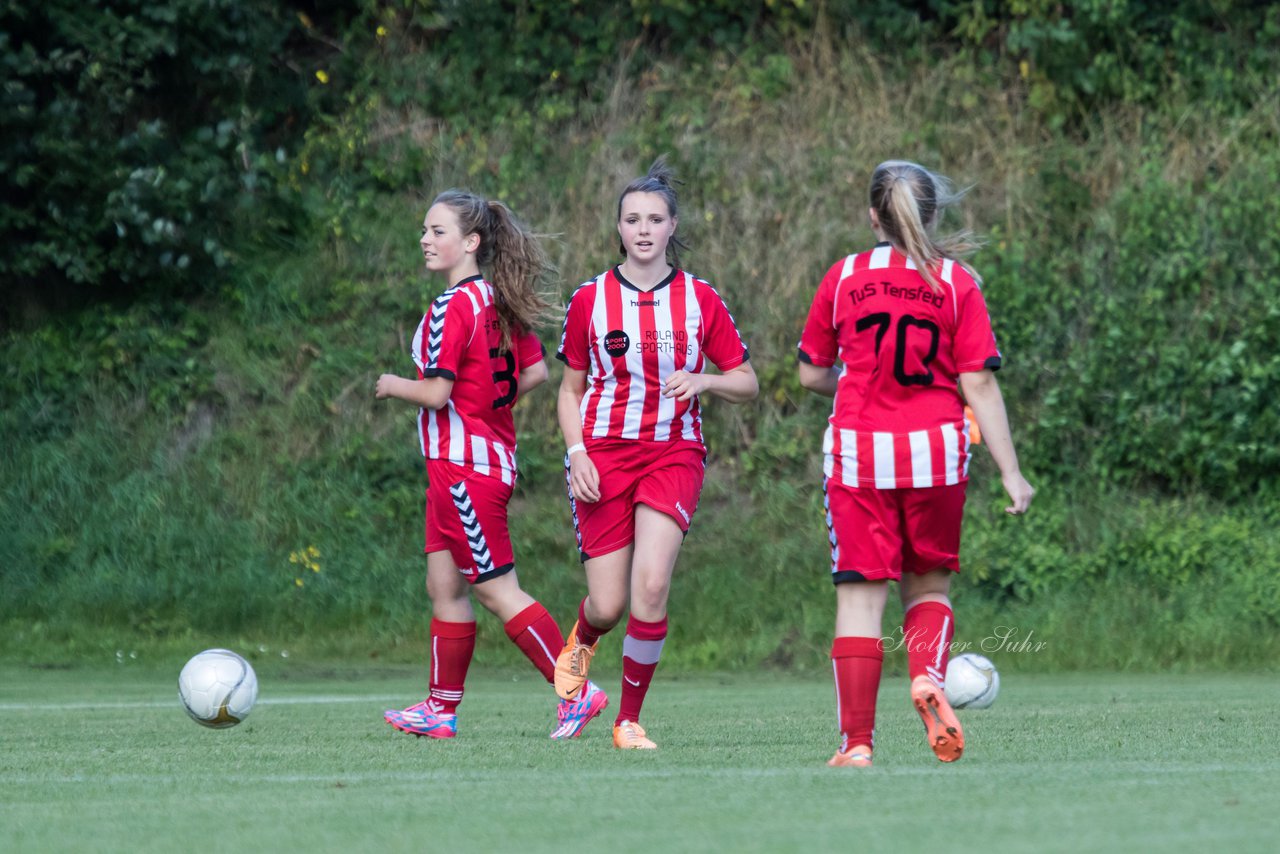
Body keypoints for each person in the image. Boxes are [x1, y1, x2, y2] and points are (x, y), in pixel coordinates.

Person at [796, 160, 1034, 768]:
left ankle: (855, 745)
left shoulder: (844, 276)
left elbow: (810, 371)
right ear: (931, 216)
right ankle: (928, 673)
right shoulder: (955, 283)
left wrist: (857, 381)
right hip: (936, 455)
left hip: (859, 456)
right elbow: (977, 382)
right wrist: (1011, 471)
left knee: (859, 601)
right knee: (927, 585)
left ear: (872, 215)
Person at [376, 189, 608, 741]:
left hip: (464, 470)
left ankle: (577, 692)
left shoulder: (451, 306)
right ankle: (440, 709)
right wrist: (485, 405)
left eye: (438, 231)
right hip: (470, 464)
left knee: (497, 589)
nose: (426, 240)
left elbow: (435, 394)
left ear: (471, 242)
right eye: (426, 230)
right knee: (444, 586)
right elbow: (534, 374)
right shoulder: (495, 302)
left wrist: (392, 386)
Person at [552, 158, 759, 749]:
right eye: (632, 219)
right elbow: (569, 391)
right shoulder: (589, 299)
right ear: (618, 228)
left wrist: (707, 382)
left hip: (673, 453)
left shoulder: (699, 298)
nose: (644, 229)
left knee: (650, 586)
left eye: (655, 219)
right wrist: (576, 453)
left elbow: (747, 380)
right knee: (610, 602)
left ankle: (628, 720)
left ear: (673, 227)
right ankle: (583, 642)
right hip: (602, 456)